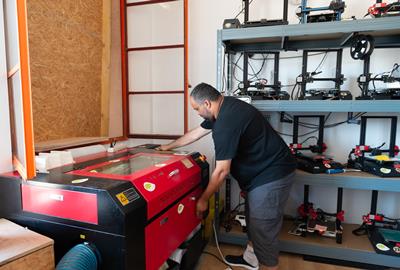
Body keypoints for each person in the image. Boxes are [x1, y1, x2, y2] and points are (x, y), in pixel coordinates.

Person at [159, 83, 296, 270]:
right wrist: (168, 147)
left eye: (196, 109)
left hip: (272, 173)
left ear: (206, 103)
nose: (197, 113)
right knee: (253, 218)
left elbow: (222, 170)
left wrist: (204, 199)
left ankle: (269, 266)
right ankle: (250, 259)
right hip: (259, 174)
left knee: (263, 227)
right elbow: (196, 134)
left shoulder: (225, 123)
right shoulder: (225, 106)